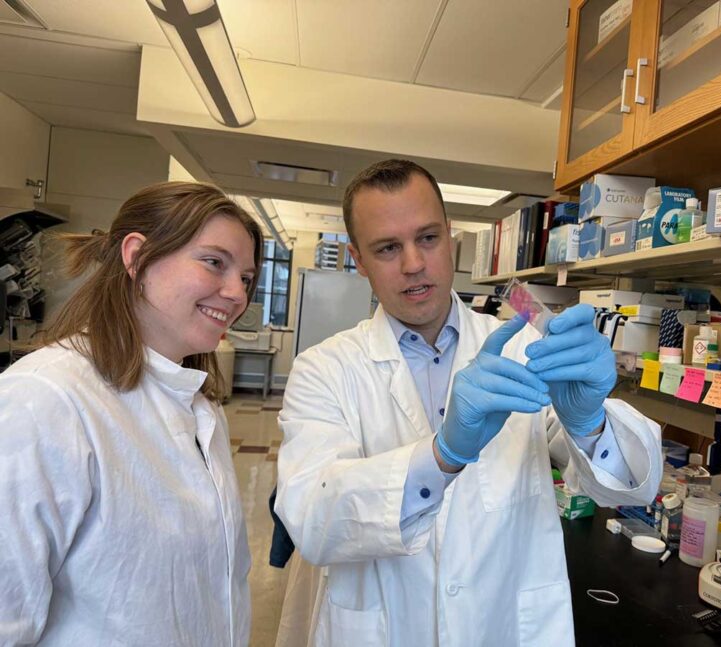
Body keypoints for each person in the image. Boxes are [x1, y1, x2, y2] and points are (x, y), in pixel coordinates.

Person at [275, 159, 662, 646]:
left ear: (451, 236)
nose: (413, 263)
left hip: (504, 627)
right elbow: (313, 520)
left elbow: (629, 489)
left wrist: (589, 421)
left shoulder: (524, 346)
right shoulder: (324, 369)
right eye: (388, 247)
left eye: (428, 238)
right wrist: (443, 457)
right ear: (358, 258)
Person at [0, 181, 263, 646]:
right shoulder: (45, 400)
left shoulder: (200, 409)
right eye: (214, 262)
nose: (236, 293)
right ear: (137, 257)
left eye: (245, 277)